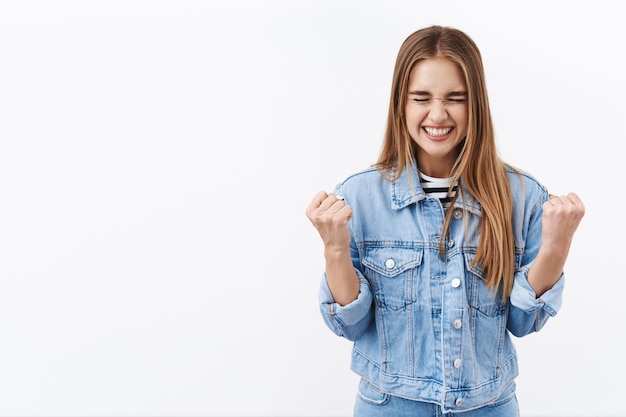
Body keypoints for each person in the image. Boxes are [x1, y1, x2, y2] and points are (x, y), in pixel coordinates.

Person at [305, 25, 585, 416]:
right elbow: (349, 326)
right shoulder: (359, 198)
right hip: (389, 407)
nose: (438, 114)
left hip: (489, 406)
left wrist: (556, 247)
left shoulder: (523, 198)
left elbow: (524, 322)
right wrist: (334, 248)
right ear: (400, 104)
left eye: (456, 98)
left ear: (477, 106)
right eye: (421, 97)